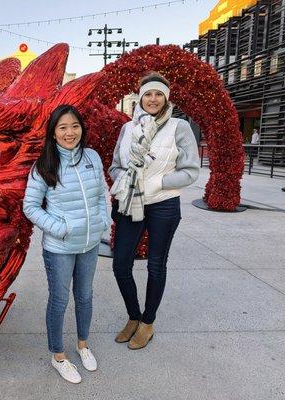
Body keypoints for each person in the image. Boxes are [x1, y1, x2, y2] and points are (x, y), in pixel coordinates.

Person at [109, 72, 200, 350]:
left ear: (166, 98)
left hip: (163, 203)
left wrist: (156, 182)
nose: (153, 99)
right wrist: (127, 180)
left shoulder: (179, 127)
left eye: (159, 94)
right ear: (140, 97)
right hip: (130, 202)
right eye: (148, 93)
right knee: (120, 264)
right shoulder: (127, 129)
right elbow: (114, 166)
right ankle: (134, 316)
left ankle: (148, 322)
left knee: (156, 264)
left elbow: (190, 171)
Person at [23, 104, 110, 384]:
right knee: (59, 300)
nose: (70, 132)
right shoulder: (45, 165)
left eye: (74, 126)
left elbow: (100, 194)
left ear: (81, 128)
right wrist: (61, 228)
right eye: (63, 127)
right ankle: (58, 355)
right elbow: (31, 207)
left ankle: (82, 345)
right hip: (59, 248)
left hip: (90, 244)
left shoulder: (92, 158)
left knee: (85, 296)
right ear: (53, 132)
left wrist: (102, 220)